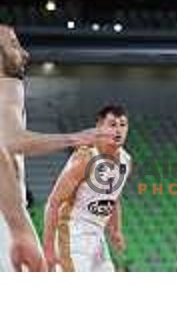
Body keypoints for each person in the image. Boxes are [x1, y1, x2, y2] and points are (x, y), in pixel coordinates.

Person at [0, 24, 106, 272]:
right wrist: (74, 138)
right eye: (13, 45)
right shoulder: (7, 84)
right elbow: (10, 142)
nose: (24, 54)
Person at [43, 105, 131, 272]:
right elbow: (53, 202)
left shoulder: (126, 160)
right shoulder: (85, 158)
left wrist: (116, 230)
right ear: (99, 127)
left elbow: (114, 198)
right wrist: (48, 250)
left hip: (98, 238)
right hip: (73, 234)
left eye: (123, 124)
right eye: (112, 125)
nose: (118, 130)